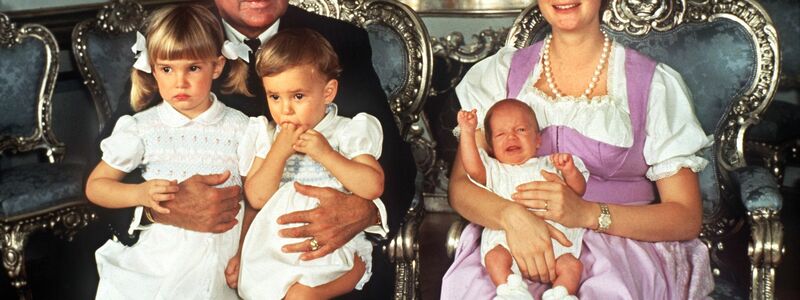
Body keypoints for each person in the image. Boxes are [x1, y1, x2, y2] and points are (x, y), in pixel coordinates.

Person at [85, 0, 415, 298]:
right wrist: (156, 208)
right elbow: (102, 167)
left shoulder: (339, 39)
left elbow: (397, 160)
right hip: (191, 253)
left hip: (319, 251)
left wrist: (367, 212)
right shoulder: (182, 36)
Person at [441, 0, 714, 298]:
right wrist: (512, 217)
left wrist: (587, 213)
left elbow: (686, 217)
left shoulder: (654, 84)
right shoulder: (500, 74)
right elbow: (462, 187)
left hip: (622, 244)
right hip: (511, 239)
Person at [85, 5, 256, 298]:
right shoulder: (142, 127)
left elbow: (255, 200)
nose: (180, 82)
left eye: (193, 68)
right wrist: (140, 194)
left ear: (216, 66)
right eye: (167, 69)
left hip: (222, 252)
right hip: (161, 256)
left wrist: (244, 251)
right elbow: (96, 187)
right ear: (153, 69)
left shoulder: (242, 128)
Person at [229, 28, 384, 299]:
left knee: (300, 297)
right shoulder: (267, 136)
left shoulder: (347, 132)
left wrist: (327, 154)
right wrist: (279, 152)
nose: (285, 109)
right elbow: (257, 197)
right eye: (274, 97)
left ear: (328, 92)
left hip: (334, 246)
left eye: (298, 96)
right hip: (277, 248)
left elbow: (372, 186)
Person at [457, 100, 588, 300]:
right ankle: (511, 290)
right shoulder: (495, 170)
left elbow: (578, 191)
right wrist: (467, 132)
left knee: (572, 265)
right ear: (491, 147)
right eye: (501, 134)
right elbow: (472, 169)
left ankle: (561, 294)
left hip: (557, 243)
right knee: (495, 258)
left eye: (520, 129)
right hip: (508, 239)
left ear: (537, 140)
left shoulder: (550, 164)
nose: (511, 136)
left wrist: (569, 171)